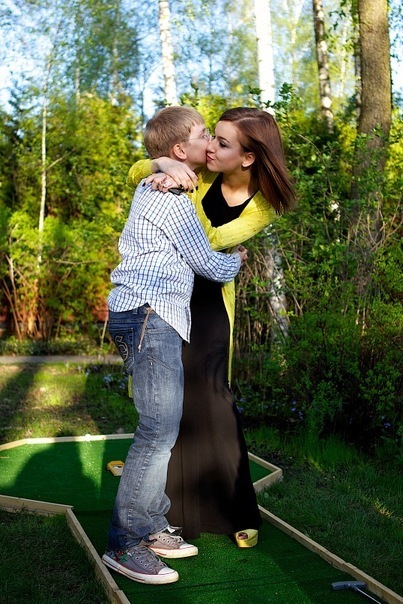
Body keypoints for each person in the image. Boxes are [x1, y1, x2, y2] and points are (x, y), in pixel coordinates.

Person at [128, 107, 296, 549]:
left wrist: (176, 188)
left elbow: (210, 241)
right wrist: (162, 164)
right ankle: (173, 509)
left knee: (215, 398)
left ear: (247, 158)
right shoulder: (198, 172)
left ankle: (237, 509)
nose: (211, 147)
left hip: (210, 302)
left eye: (222, 142)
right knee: (175, 401)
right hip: (171, 297)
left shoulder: (262, 204)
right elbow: (136, 171)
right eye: (212, 137)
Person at [103, 106, 248, 586]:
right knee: (157, 432)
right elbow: (208, 263)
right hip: (150, 314)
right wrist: (237, 260)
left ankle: (149, 525)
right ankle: (125, 543)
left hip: (144, 313)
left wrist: (163, 165)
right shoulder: (171, 199)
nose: (211, 140)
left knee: (160, 428)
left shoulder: (166, 184)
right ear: (181, 150)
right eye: (205, 133)